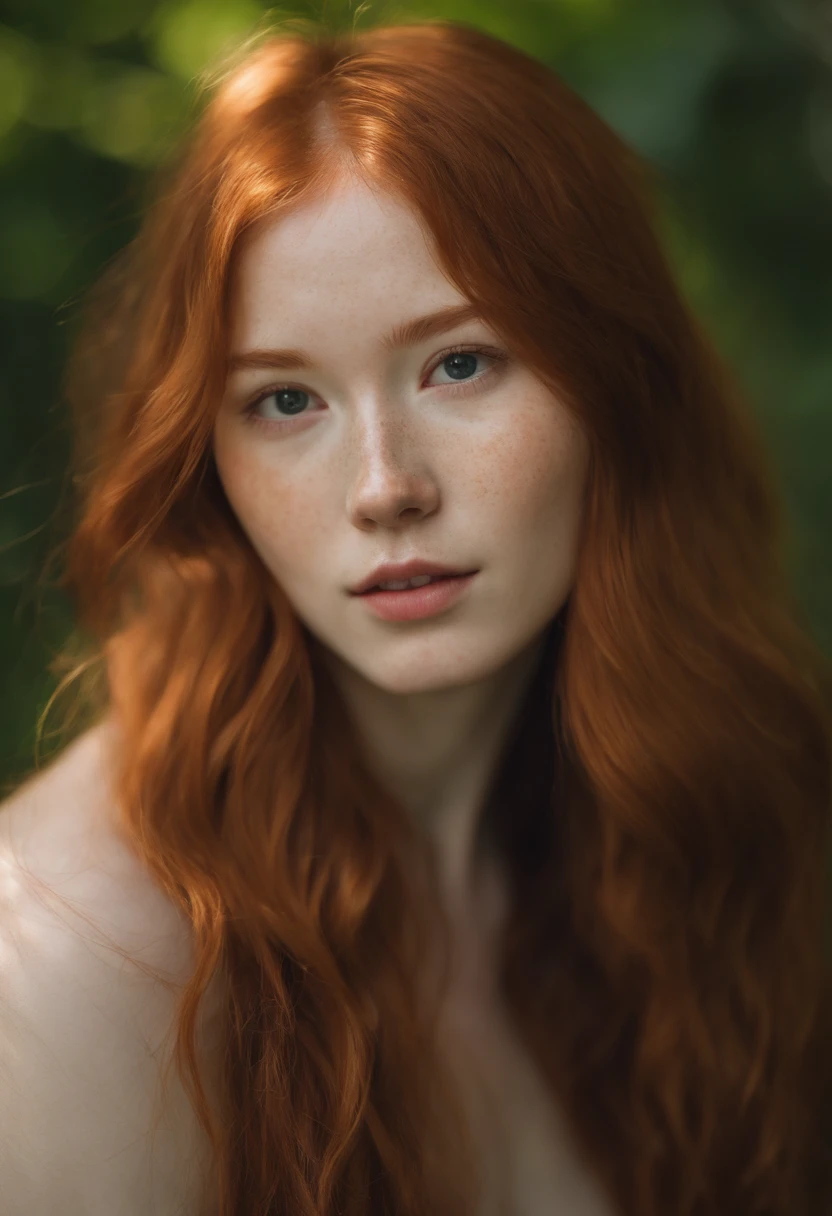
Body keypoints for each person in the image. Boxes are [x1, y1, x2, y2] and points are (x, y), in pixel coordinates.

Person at [1, 15, 830, 1216]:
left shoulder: (677, 830)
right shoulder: (70, 970)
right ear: (207, 461)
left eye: (459, 364)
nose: (386, 485)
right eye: (286, 399)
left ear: (616, 385)